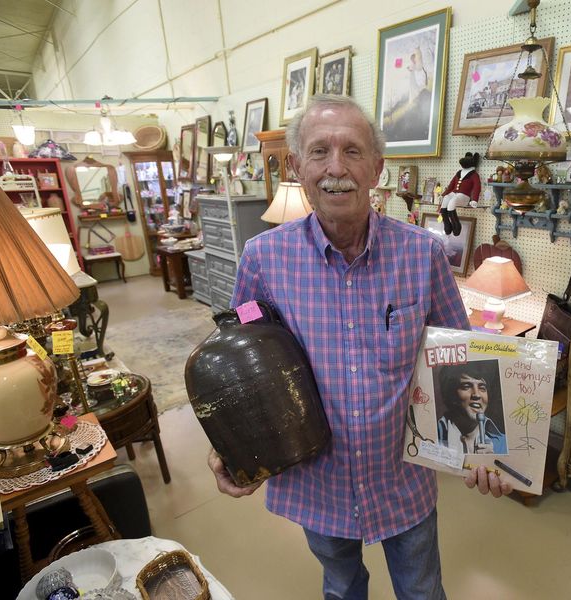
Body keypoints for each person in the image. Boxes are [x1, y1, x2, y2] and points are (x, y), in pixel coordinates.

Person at [207, 94, 511, 600]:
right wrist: (233, 446)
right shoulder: (263, 260)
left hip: (400, 479)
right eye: (319, 151)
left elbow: (463, 357)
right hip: (316, 480)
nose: (336, 168)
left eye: (352, 151)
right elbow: (242, 369)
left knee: (421, 589)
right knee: (342, 586)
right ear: (298, 166)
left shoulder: (422, 255)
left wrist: (491, 453)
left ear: (378, 168)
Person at [436, 362, 507, 455]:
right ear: (451, 395)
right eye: (466, 387)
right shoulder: (434, 436)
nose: (476, 394)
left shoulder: (503, 443)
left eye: (482, 388)